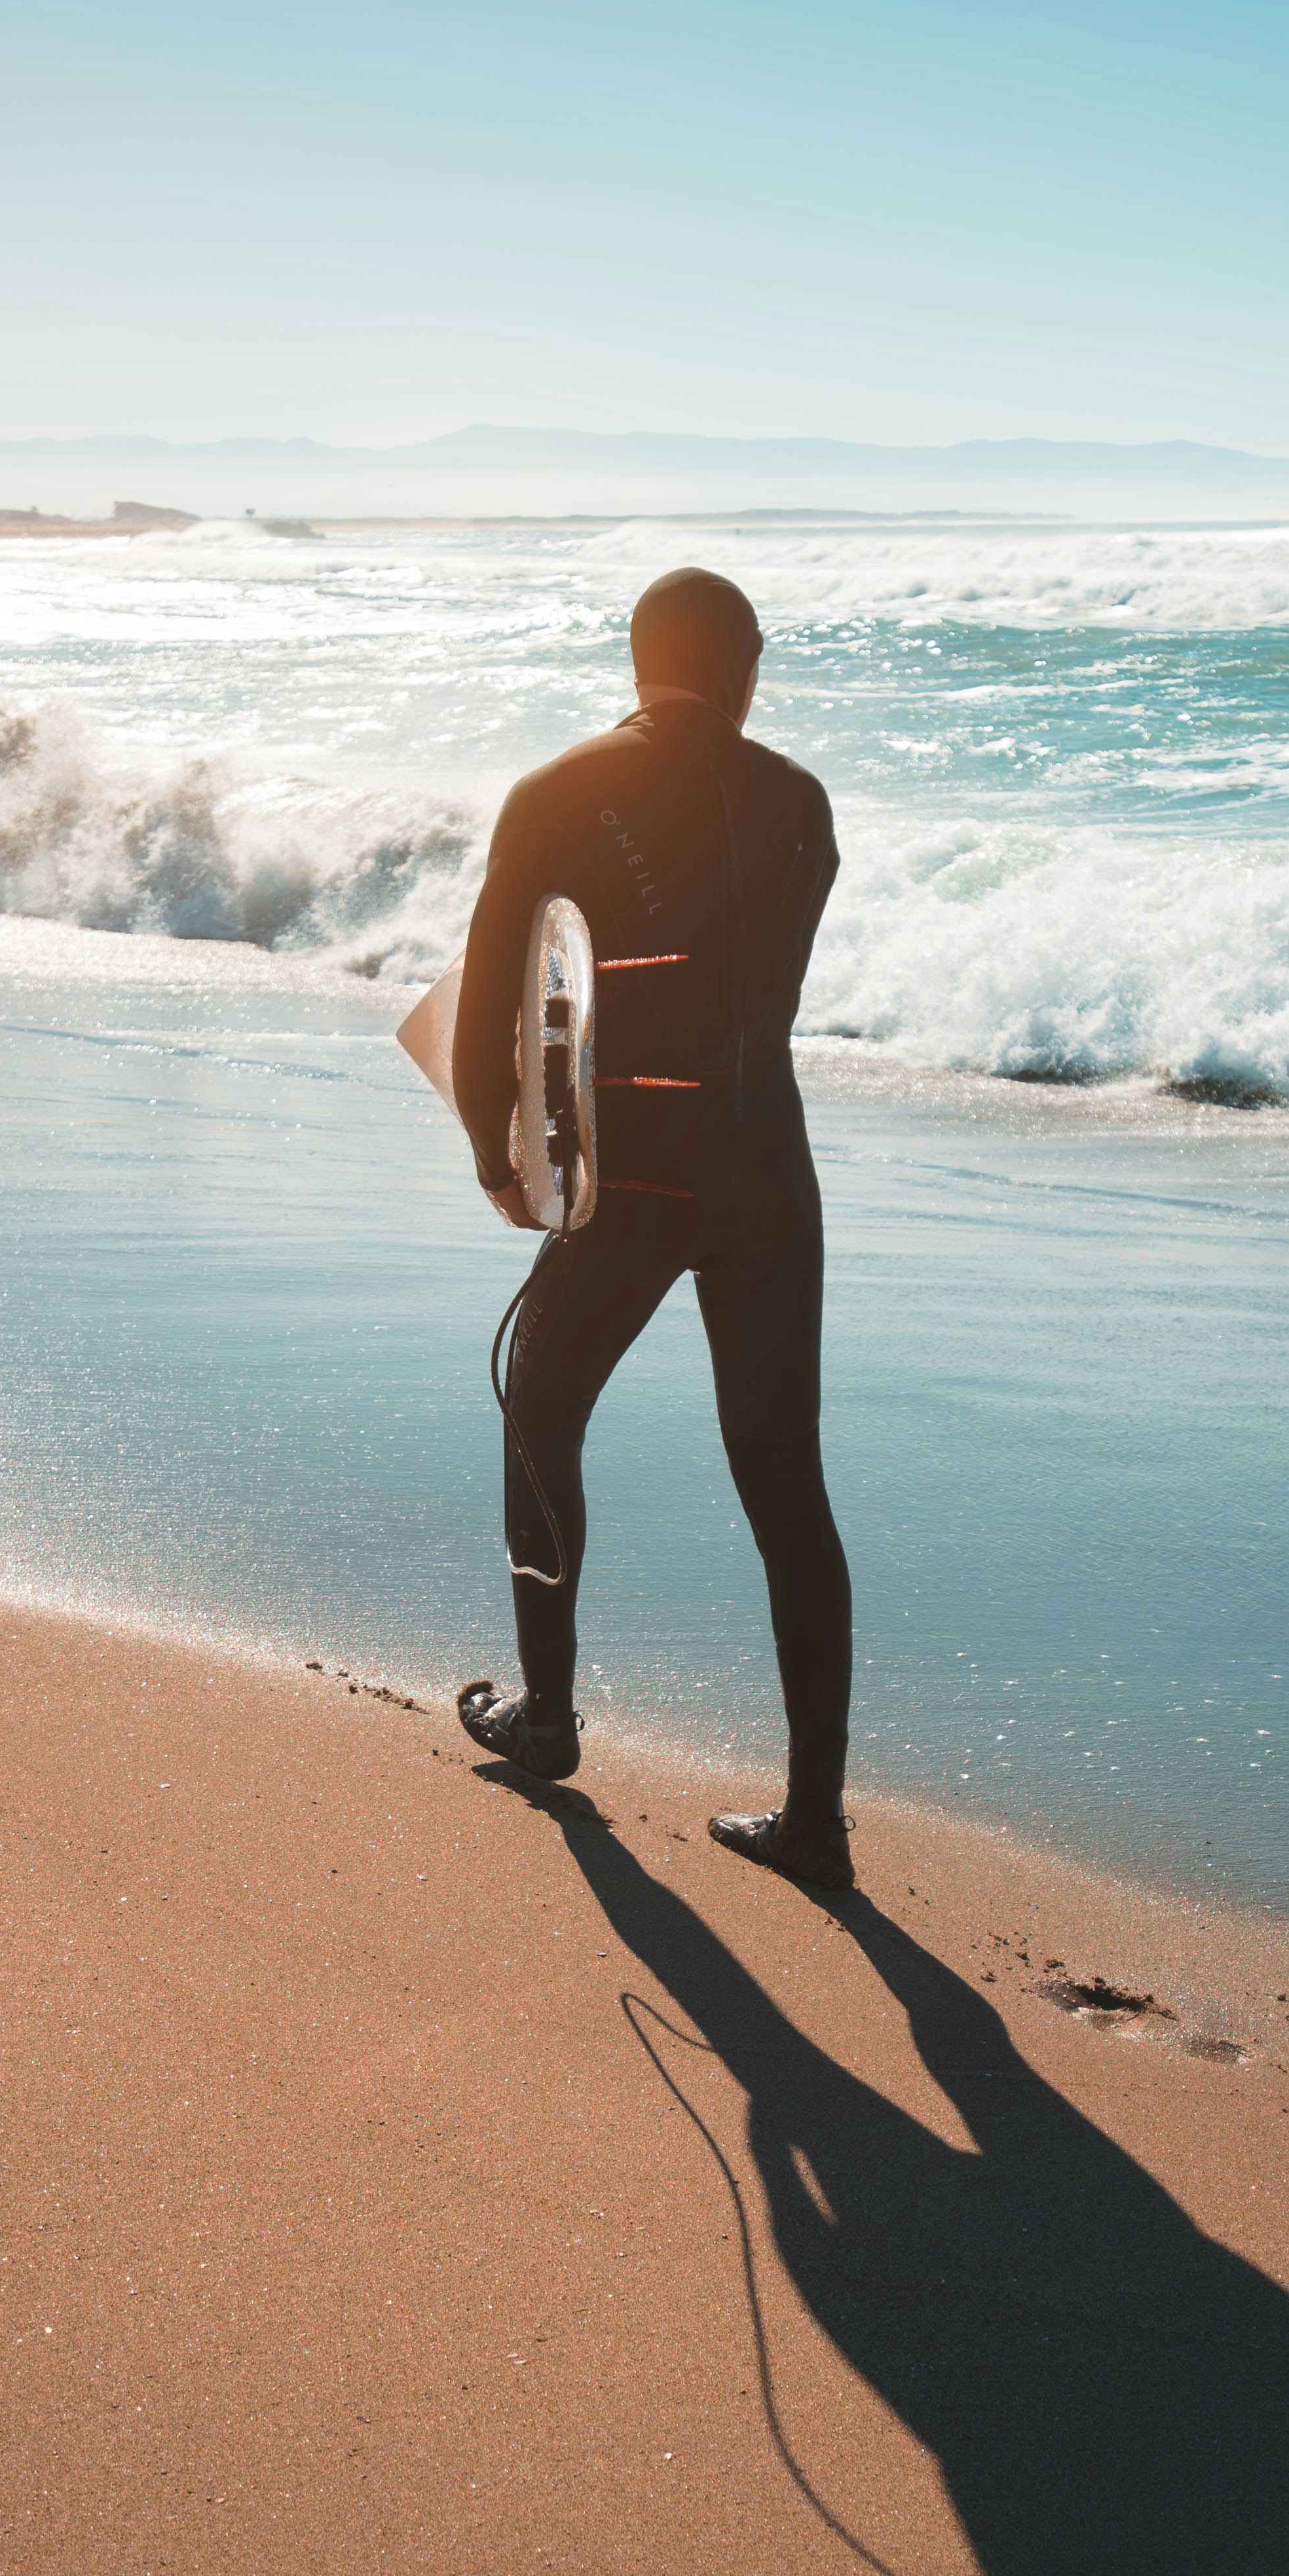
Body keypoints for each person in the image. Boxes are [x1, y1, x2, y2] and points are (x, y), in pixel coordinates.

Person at [450, 565, 855, 1890]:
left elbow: (489, 1000)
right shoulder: (800, 804)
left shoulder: (555, 793)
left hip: (630, 1167)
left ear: (638, 664)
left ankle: (548, 1714)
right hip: (767, 1173)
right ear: (743, 669)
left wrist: (493, 1147)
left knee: (538, 1406)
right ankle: (813, 1821)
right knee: (783, 1480)